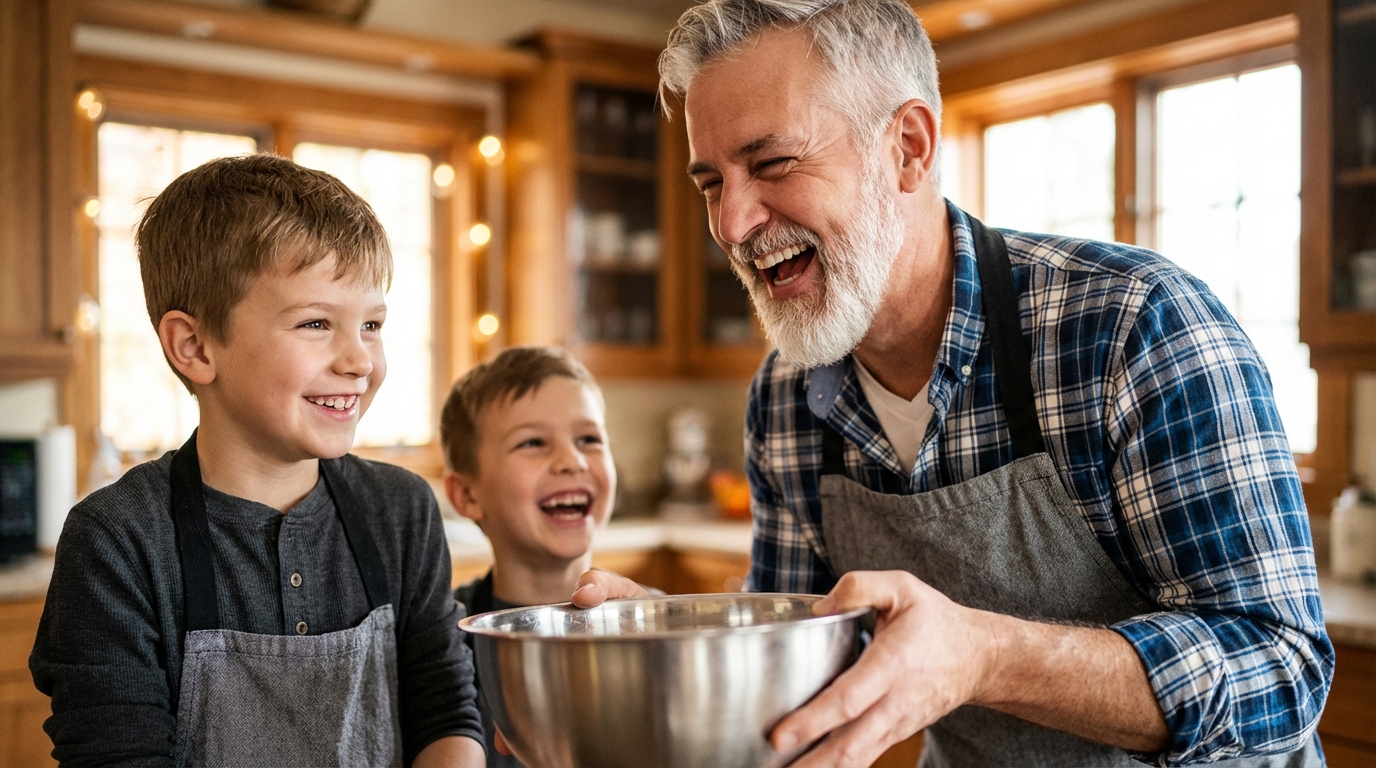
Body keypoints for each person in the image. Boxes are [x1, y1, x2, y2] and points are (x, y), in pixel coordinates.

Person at [574, 1, 1333, 766]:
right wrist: (679, 648)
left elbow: (1282, 670)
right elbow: (804, 663)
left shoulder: (1132, 326)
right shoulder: (786, 397)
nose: (732, 224)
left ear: (908, 147)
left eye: (772, 164)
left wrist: (982, 654)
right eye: (711, 182)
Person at [29, 154, 485, 767]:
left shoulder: (400, 510)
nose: (359, 360)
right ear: (193, 346)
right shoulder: (117, 540)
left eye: (372, 324)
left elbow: (446, 710)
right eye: (317, 322)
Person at [441, 346, 616, 768]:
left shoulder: (662, 626)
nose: (571, 461)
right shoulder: (440, 643)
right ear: (467, 495)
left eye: (588, 439)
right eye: (533, 442)